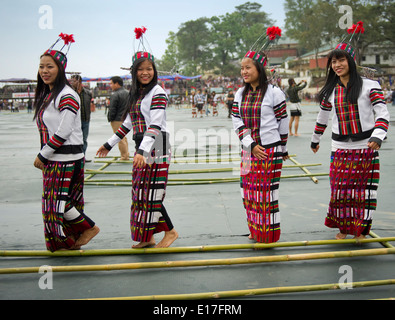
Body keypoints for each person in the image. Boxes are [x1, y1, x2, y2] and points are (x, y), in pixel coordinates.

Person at [97, 28, 178, 249]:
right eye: (141, 69)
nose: (145, 72)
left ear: (154, 70)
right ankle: (147, 237)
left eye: (149, 69)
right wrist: (109, 144)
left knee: (152, 192)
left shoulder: (158, 92)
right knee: (140, 193)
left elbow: (154, 124)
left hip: (157, 144)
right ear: (134, 72)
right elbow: (129, 123)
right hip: (143, 145)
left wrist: (142, 151)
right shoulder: (137, 94)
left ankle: (170, 232)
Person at [311, 21, 390, 240]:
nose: (337, 65)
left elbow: (382, 114)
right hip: (340, 148)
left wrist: (378, 136)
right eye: (333, 62)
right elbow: (323, 117)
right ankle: (344, 228)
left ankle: (361, 230)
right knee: (340, 191)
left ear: (351, 62)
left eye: (341, 60)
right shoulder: (330, 90)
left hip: (365, 146)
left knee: (364, 192)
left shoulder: (369, 86)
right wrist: (315, 140)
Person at [33, 33, 99, 252]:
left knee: (55, 204)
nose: (44, 71)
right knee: (61, 202)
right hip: (59, 156)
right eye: (42, 66)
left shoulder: (66, 94)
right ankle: (72, 240)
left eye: (50, 66)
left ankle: (88, 228)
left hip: (64, 157)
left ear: (60, 70)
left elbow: (64, 130)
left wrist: (44, 154)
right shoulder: (51, 94)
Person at [232, 26, 289, 244]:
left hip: (269, 151)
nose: (244, 72)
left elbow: (282, 123)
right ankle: (255, 229)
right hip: (248, 150)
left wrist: (282, 149)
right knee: (247, 192)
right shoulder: (240, 93)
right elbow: (236, 120)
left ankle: (268, 234)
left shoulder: (275, 93)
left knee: (266, 194)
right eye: (242, 68)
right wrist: (250, 143)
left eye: (248, 67)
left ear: (260, 68)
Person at [70, 74, 93, 156]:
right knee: (74, 139)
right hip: (74, 121)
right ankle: (76, 156)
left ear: (79, 81)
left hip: (85, 120)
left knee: (84, 139)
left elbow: (90, 105)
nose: (72, 83)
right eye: (71, 81)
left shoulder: (87, 93)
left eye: (74, 81)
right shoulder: (70, 93)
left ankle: (83, 156)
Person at [108, 76, 130, 160]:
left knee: (119, 138)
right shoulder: (128, 93)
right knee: (123, 137)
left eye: (111, 83)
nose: (110, 85)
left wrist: (111, 118)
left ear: (116, 84)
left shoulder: (115, 94)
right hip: (125, 118)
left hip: (117, 119)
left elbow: (112, 108)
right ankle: (126, 153)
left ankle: (124, 156)